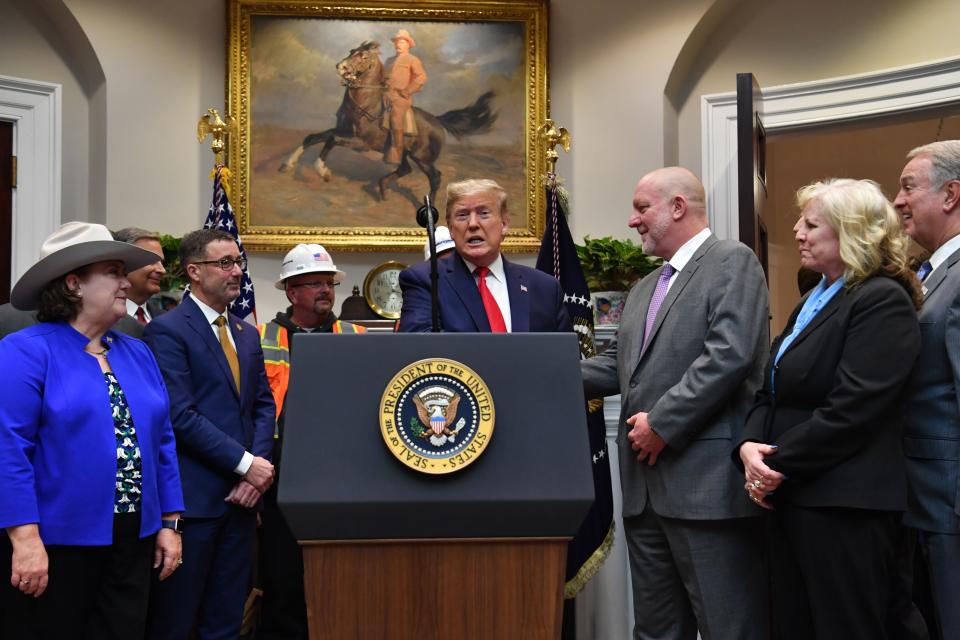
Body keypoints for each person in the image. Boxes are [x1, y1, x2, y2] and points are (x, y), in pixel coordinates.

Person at [581, 167, 769, 640]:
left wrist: (662, 423)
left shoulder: (731, 261)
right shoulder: (645, 287)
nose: (632, 220)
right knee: (657, 631)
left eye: (642, 208)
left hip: (704, 489)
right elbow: (617, 366)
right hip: (645, 496)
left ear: (678, 207)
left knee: (728, 627)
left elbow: (728, 355)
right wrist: (532, 372)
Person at [736, 178, 922, 639]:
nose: (797, 231)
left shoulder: (881, 299)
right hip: (795, 497)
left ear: (850, 232)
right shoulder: (814, 299)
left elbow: (855, 410)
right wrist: (747, 447)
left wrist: (774, 464)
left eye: (811, 223)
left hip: (846, 506)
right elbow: (769, 388)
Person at [0, 221, 184, 639]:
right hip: (56, 542)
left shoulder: (137, 352)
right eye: (114, 272)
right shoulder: (25, 351)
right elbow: (8, 449)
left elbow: (163, 443)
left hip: (134, 539)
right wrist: (25, 540)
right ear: (73, 284)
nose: (126, 282)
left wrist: (170, 524)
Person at [144, 228, 276, 640]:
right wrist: (246, 465)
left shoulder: (246, 333)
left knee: (225, 623)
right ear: (194, 272)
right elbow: (180, 416)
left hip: (240, 506)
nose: (237, 271)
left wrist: (254, 473)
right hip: (194, 506)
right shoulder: (168, 331)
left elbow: (263, 406)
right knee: (177, 622)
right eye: (225, 263)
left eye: (238, 262)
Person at [257, 244, 365, 640]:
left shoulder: (357, 336)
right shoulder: (261, 338)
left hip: (344, 477)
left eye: (328, 282)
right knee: (283, 577)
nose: (325, 289)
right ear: (291, 292)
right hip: (283, 478)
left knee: (343, 577)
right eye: (313, 283)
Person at [895, 140, 960, 639]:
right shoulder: (924, 273)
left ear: (951, 194)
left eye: (908, 187)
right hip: (915, 499)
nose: (898, 201)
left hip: (949, 505)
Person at [398, 178, 570, 333]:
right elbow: (418, 351)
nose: (472, 224)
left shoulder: (545, 288)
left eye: (484, 213)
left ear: (504, 224)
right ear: (451, 228)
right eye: (462, 215)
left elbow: (563, 358)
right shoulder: (425, 280)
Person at [383, 28, 427, 165]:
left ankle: (396, 152)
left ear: (408, 44)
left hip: (401, 97)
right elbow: (383, 77)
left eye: (401, 42)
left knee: (396, 117)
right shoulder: (389, 60)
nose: (398, 45)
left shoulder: (412, 59)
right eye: (396, 42)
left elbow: (421, 77)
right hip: (385, 94)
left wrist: (407, 91)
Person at [113, 227, 167, 325]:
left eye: (162, 262)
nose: (162, 270)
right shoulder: (102, 321)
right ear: (122, 262)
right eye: (151, 260)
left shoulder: (167, 321)